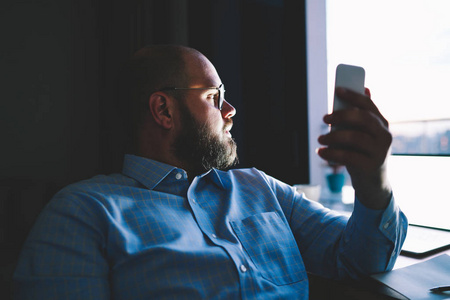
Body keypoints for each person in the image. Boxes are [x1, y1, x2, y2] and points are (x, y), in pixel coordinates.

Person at [13, 45, 407, 299]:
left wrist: (374, 183)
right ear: (164, 110)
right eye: (214, 96)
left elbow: (360, 260)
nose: (230, 110)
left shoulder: (262, 188)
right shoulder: (82, 212)